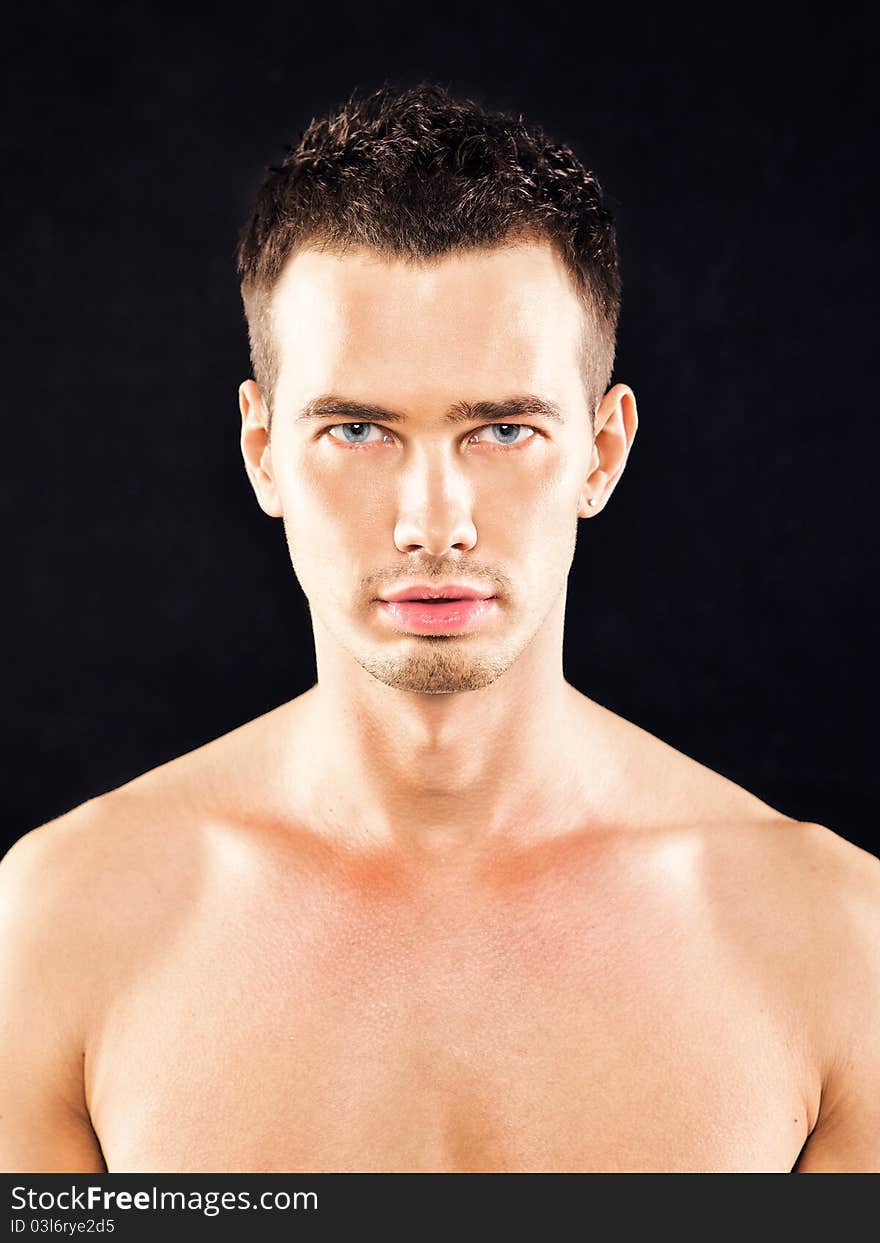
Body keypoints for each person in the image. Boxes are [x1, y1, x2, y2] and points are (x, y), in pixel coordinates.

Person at [1, 82, 877, 1176]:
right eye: (357, 428)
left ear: (600, 453)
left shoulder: (837, 948)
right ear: (263, 449)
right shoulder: (61, 931)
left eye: (502, 428)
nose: (432, 523)